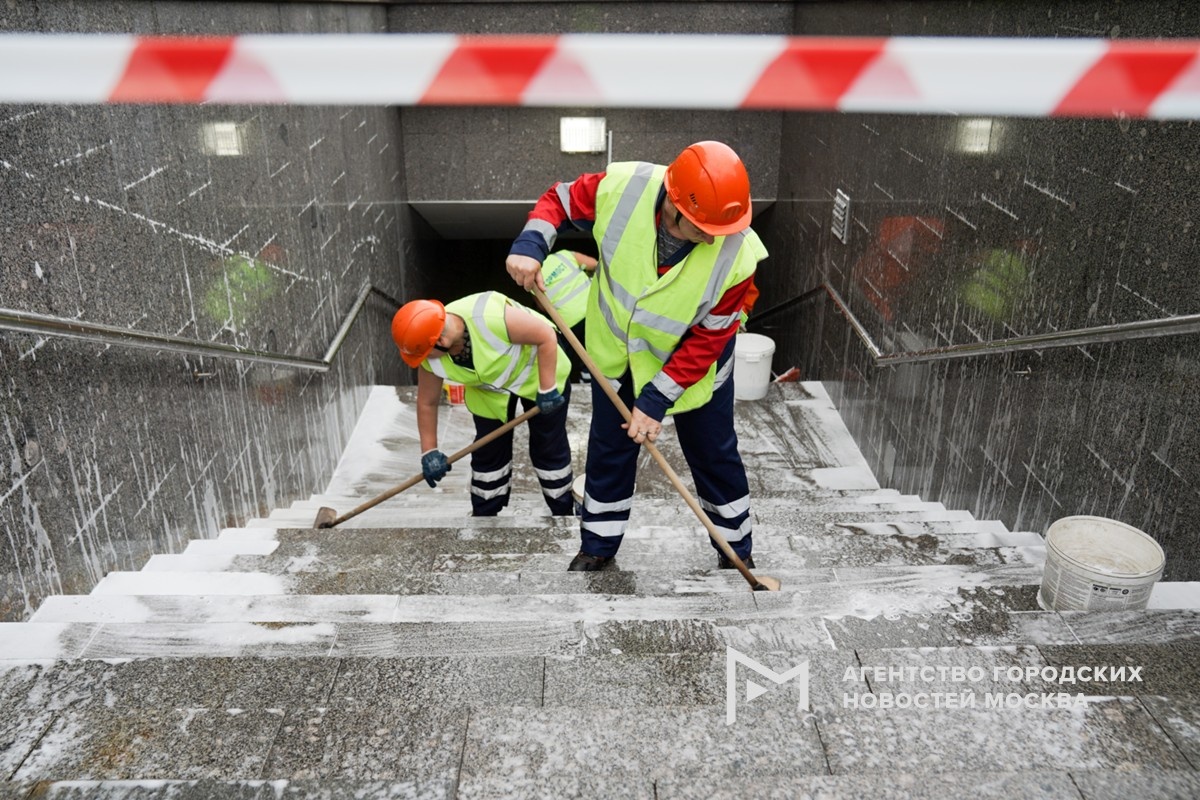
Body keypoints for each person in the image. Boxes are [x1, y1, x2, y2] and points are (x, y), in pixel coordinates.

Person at [505, 140, 767, 571]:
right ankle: (598, 546)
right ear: (674, 204)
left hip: (697, 367)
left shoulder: (739, 254)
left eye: (721, 229)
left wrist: (655, 402)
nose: (713, 239)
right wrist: (530, 244)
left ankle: (735, 548)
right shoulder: (623, 187)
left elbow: (707, 339)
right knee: (609, 449)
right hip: (619, 356)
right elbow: (560, 199)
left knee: (714, 453)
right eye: (702, 228)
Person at [391, 291, 575, 517]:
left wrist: (547, 390)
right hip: (489, 394)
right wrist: (429, 451)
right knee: (488, 451)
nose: (424, 361)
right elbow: (427, 402)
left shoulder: (490, 318)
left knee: (548, 444)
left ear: (440, 341)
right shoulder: (430, 348)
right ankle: (485, 512)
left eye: (425, 354)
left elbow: (546, 335)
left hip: (539, 373)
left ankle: (564, 508)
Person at [541, 249, 598, 382]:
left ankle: (584, 374)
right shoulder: (564, 255)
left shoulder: (534, 274)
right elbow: (595, 264)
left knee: (576, 352)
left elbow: (543, 306)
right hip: (592, 310)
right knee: (598, 346)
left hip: (569, 322)